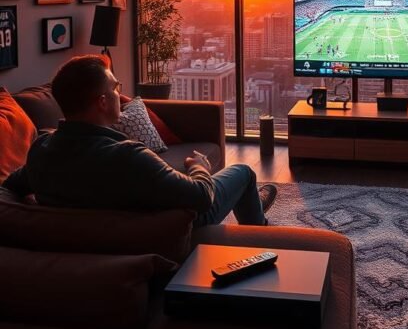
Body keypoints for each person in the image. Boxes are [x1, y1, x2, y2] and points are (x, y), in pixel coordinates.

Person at [5, 55, 277, 227]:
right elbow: (201, 197)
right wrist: (199, 166)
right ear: (102, 102)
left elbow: (12, 186)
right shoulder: (129, 156)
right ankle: (260, 228)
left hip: (103, 241)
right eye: (115, 88)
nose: (118, 93)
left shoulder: (42, 151)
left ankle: (249, 202)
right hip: (177, 228)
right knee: (242, 173)